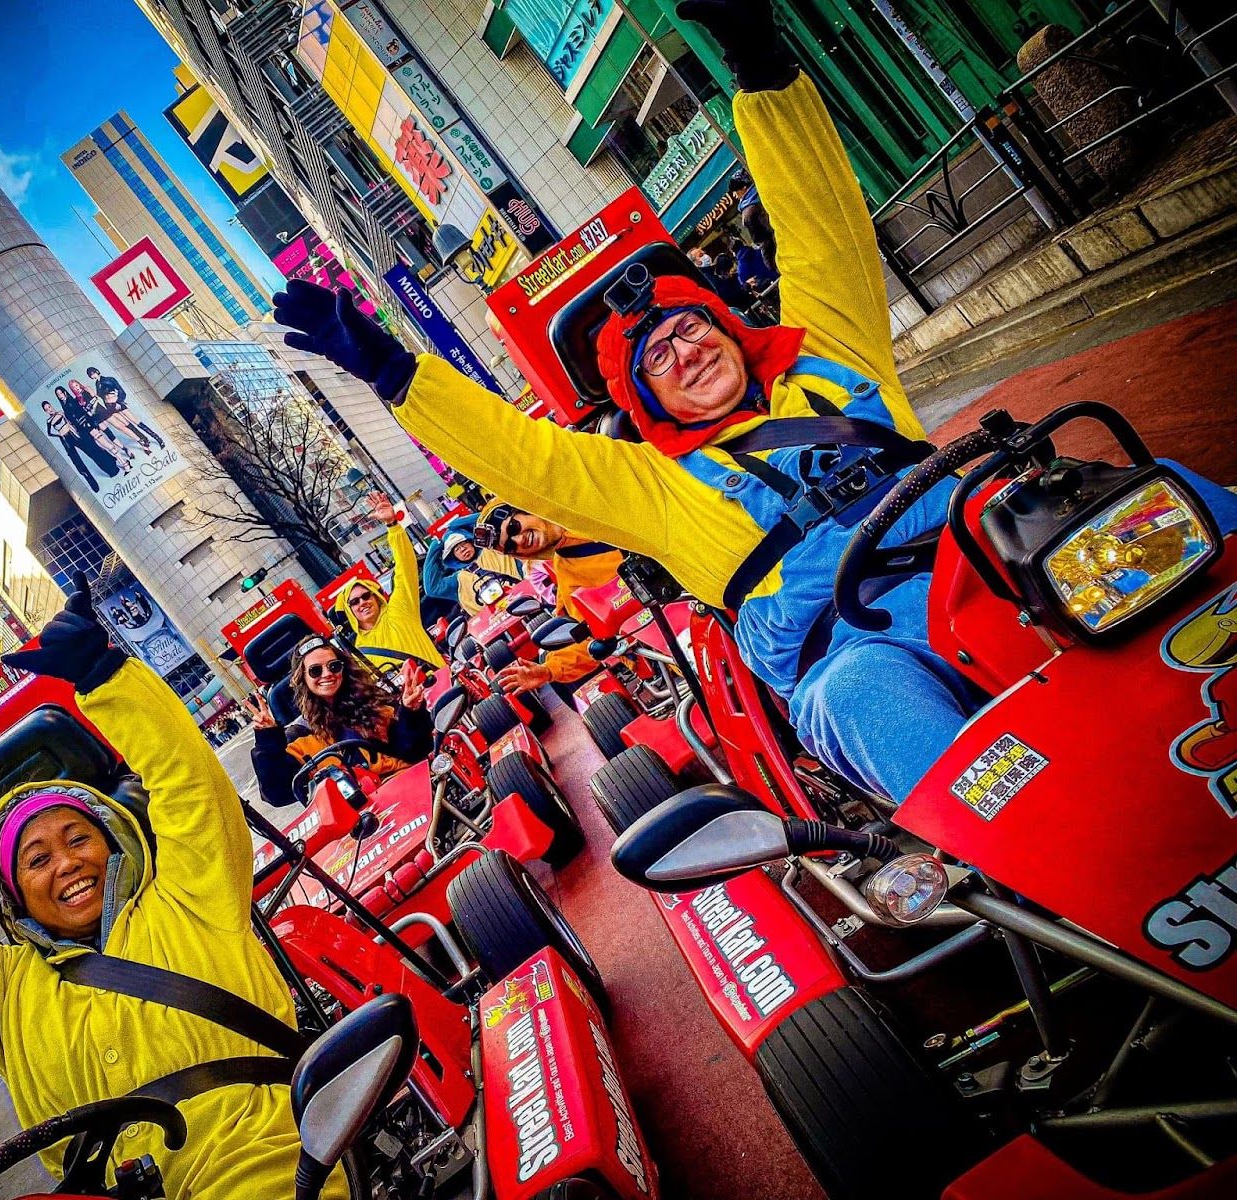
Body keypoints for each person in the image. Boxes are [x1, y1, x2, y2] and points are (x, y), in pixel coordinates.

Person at [273, 0, 1237, 802]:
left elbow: (820, 223)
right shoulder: (654, 488)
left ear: (731, 326)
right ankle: (1041, 838)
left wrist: (760, 67)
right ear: (643, 398)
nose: (684, 350)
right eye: (654, 355)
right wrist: (392, 370)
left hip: (1004, 556)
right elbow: (526, 460)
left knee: (1156, 496)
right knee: (857, 698)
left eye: (691, 326)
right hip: (864, 649)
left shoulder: (828, 361)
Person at [0, 589, 344, 1198]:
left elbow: (190, 784)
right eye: (37, 859)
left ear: (113, 843)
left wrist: (105, 676)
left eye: (79, 837)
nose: (67, 862)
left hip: (268, 1165)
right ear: (12, 894)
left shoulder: (190, 895)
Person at [249, 639, 432, 811]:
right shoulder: (299, 735)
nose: (327, 674)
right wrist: (267, 739)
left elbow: (415, 750)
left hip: (410, 791)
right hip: (358, 818)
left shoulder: (375, 702)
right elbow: (278, 793)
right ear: (302, 678)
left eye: (334, 666)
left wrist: (411, 712)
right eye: (315, 670)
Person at [471, 500, 627, 698]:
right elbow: (582, 636)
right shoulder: (567, 573)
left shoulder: (591, 504)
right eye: (511, 546)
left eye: (513, 527)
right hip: (652, 635)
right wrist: (548, 670)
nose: (519, 539)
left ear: (526, 509)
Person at [332, 491, 445, 676]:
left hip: (445, 683)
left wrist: (392, 525)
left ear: (375, 597)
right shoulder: (357, 653)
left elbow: (405, 565)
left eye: (366, 596)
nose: (362, 602)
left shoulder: (399, 608)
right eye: (354, 602)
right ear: (349, 610)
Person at [41, 399, 118, 493]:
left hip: (73, 434)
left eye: (49, 407)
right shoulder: (49, 421)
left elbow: (70, 422)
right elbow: (49, 433)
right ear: (45, 412)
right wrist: (59, 435)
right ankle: (93, 485)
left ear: (51, 405)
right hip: (65, 440)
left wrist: (76, 429)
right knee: (77, 462)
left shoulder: (61, 413)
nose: (49, 410)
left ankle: (111, 469)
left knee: (91, 452)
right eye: (47, 409)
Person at [88, 366, 166, 450]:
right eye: (91, 375)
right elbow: (102, 397)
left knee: (135, 421)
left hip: (117, 403)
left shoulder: (109, 379)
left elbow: (121, 391)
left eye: (93, 373)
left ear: (97, 371)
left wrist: (118, 401)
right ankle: (143, 439)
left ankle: (158, 438)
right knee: (126, 424)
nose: (93, 376)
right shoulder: (97, 384)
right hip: (109, 407)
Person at [59, 384, 133, 473]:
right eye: (58, 395)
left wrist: (91, 423)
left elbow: (84, 412)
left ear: (64, 392)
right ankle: (123, 461)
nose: (60, 396)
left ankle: (124, 463)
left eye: (61, 393)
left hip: (89, 424)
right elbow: (74, 420)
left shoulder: (73, 401)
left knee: (106, 444)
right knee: (103, 445)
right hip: (84, 429)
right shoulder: (67, 405)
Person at [70, 378, 149, 454]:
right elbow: (86, 410)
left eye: (76, 385)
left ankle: (140, 441)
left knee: (120, 426)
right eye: (73, 387)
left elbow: (96, 398)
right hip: (97, 416)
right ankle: (132, 445)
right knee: (114, 430)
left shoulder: (86, 389)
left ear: (79, 384)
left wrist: (92, 407)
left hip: (102, 410)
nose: (76, 388)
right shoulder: (77, 399)